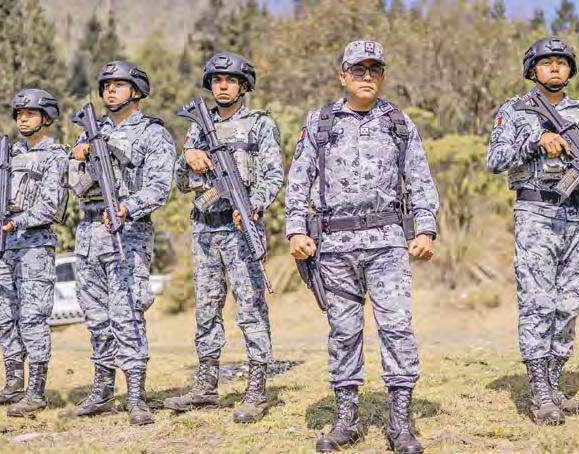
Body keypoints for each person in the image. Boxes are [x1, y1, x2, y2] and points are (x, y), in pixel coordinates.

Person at [285, 40, 439, 453]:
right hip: (333, 246)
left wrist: (426, 229)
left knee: (397, 327)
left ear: (382, 76)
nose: (367, 76)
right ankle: (346, 420)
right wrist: (296, 230)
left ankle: (400, 424)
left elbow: (420, 179)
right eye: (358, 70)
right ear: (343, 76)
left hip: (387, 243)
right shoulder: (320, 122)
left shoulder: (398, 123)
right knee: (344, 331)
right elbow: (299, 180)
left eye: (375, 70)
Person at [486, 37, 579, 425]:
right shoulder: (515, 110)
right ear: (532, 69)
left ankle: (555, 386)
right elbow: (495, 159)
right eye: (546, 62)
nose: (555, 67)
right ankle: (539, 391)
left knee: (569, 303)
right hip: (537, 212)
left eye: (561, 62)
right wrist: (535, 141)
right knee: (538, 301)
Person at [164, 52, 284, 423]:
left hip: (240, 226)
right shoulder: (198, 128)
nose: (223, 86)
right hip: (204, 228)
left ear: (244, 86)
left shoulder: (259, 124)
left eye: (230, 80)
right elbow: (180, 181)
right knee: (206, 307)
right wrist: (189, 155)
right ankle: (205, 386)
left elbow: (273, 176)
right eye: (217, 80)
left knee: (250, 307)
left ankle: (257, 389)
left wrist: (252, 205)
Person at [61, 60, 175, 425]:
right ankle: (102, 391)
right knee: (95, 316)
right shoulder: (89, 133)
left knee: (126, 314)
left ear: (137, 91)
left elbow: (160, 188)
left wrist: (127, 207)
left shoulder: (152, 134)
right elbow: (75, 186)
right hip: (89, 233)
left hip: (128, 232)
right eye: (106, 85)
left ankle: (137, 396)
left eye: (119, 85)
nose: (110, 90)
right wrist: (76, 157)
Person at [0, 88, 68, 419]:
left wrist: (15, 222)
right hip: (3, 247)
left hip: (34, 247)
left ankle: (36, 392)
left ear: (46, 118)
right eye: (19, 114)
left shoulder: (56, 156)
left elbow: (51, 206)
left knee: (32, 318)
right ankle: (13, 384)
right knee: (5, 316)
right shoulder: (8, 156)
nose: (22, 119)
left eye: (30, 114)